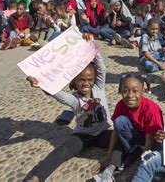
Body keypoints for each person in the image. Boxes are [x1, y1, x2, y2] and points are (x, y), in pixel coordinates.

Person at [24, 44, 116, 182]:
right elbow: (57, 94)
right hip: (82, 136)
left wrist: (92, 48)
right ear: (74, 81)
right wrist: (41, 84)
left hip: (103, 132)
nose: (86, 83)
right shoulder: (74, 99)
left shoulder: (99, 87)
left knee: (123, 139)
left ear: (94, 79)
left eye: (89, 79)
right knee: (62, 151)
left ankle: (115, 167)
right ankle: (36, 178)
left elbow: (102, 69)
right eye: (81, 80)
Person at [92, 74, 164, 181]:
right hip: (134, 138)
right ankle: (111, 169)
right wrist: (108, 155)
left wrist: (142, 162)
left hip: (152, 141)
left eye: (135, 91)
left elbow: (150, 140)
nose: (130, 95)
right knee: (120, 122)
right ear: (120, 90)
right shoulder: (121, 105)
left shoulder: (151, 109)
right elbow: (116, 132)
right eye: (125, 91)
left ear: (143, 91)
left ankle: (131, 158)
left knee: (148, 163)